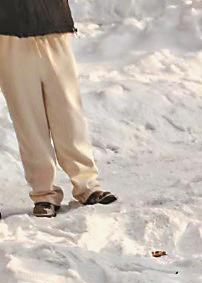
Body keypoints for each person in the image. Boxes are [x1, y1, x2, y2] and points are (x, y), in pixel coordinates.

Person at [0, 0, 117, 218]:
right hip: (8, 34)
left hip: (52, 25)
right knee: (28, 118)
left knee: (68, 111)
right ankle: (44, 193)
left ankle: (87, 185)